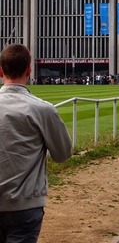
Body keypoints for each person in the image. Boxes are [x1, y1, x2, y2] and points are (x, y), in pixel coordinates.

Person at [0, 43, 73, 242]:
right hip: (25, 205)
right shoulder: (43, 109)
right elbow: (63, 153)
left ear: (1, 70)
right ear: (29, 69)